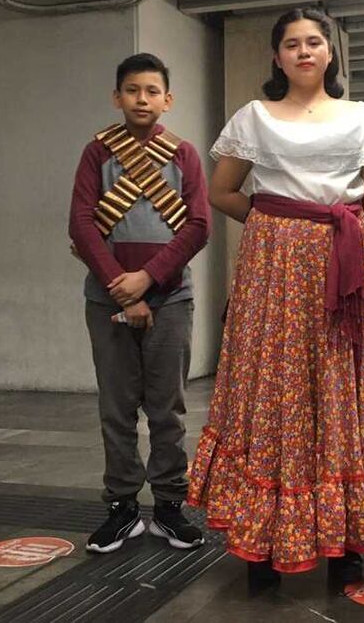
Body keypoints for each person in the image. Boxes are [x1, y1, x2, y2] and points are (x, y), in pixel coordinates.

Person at [186, 8, 364, 591]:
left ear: (330, 54)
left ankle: (346, 540)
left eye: (314, 42)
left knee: (344, 387)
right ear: (277, 57)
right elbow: (222, 190)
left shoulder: (359, 116)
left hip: (348, 259)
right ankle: (262, 539)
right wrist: (276, 223)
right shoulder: (254, 117)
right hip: (274, 268)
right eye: (292, 44)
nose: (304, 52)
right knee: (272, 386)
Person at [69, 53, 210, 554]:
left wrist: (147, 280)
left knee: (168, 408)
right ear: (117, 97)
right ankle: (122, 508)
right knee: (117, 407)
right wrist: (120, 286)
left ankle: (170, 505)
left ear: (167, 100)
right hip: (107, 298)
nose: (142, 99)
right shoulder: (97, 153)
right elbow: (81, 224)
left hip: (170, 298)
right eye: (132, 90)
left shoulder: (183, 155)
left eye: (152, 91)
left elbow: (198, 226)